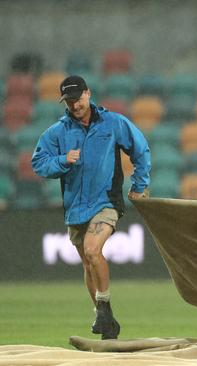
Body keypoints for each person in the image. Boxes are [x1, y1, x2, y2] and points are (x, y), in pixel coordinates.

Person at [32, 75, 151, 340]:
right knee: (87, 263)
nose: (75, 105)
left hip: (106, 201)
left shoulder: (113, 123)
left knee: (92, 250)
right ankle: (105, 319)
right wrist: (63, 160)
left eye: (78, 98)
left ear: (88, 93)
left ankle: (104, 307)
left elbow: (140, 149)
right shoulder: (57, 132)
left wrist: (140, 184)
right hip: (75, 206)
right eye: (70, 101)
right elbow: (39, 163)